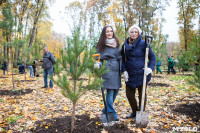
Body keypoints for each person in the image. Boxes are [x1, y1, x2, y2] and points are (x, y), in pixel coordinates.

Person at [121, 25, 156, 120]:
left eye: (135, 32)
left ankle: (141, 113)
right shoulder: (124, 46)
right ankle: (135, 111)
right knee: (129, 95)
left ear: (139, 33)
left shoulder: (144, 43)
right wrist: (124, 71)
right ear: (129, 33)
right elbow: (122, 60)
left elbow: (152, 58)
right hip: (130, 74)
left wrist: (150, 68)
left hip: (142, 74)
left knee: (142, 95)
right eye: (132, 32)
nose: (133, 34)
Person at [94, 25, 122, 122]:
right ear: (104, 33)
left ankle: (104, 110)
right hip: (107, 69)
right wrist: (98, 64)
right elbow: (98, 58)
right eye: (107, 31)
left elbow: (121, 57)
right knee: (110, 92)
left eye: (111, 31)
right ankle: (113, 115)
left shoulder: (117, 44)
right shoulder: (101, 45)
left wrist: (123, 70)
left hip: (116, 70)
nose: (109, 33)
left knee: (115, 91)